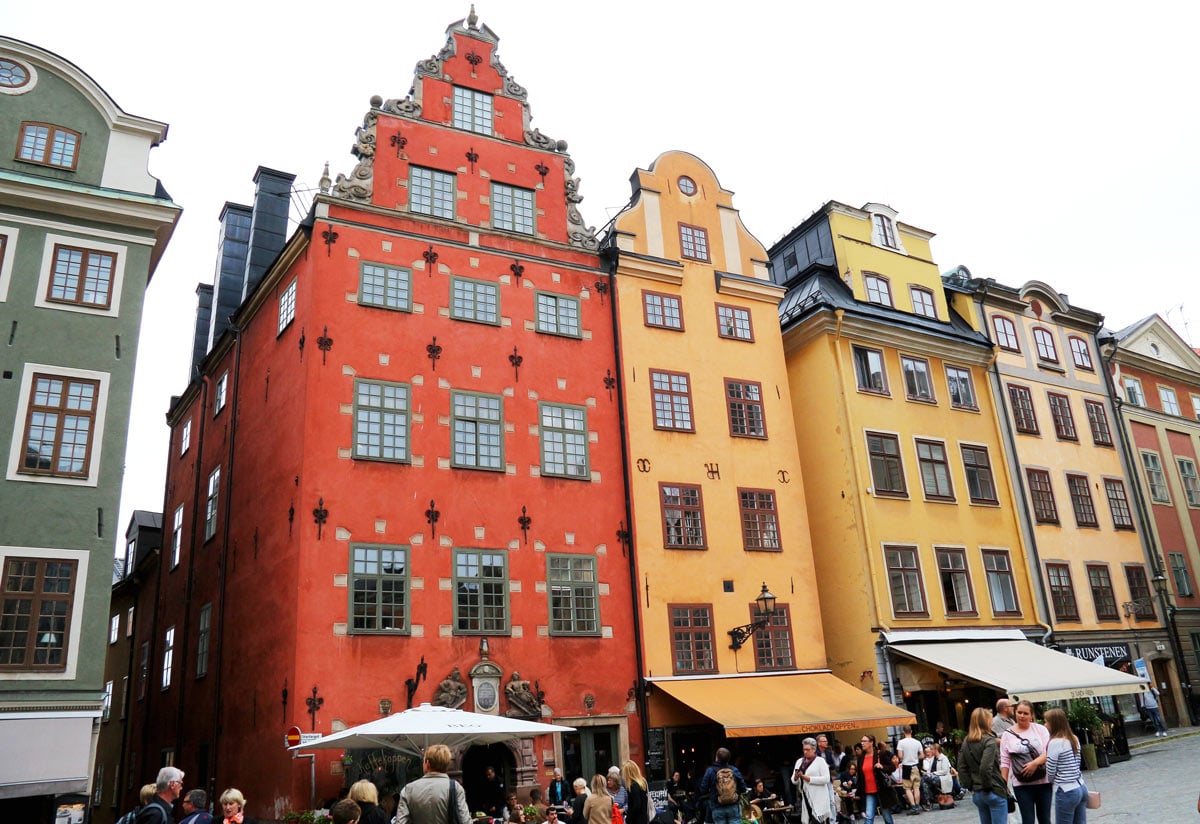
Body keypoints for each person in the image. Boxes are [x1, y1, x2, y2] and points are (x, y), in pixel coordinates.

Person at [999, 700, 1050, 824]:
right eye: (1019, 712)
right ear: (1015, 713)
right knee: (1027, 819)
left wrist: (1034, 764)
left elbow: (1049, 752)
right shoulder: (1007, 734)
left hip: (1043, 781)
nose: (1022, 716)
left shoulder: (1041, 730)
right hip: (1021, 784)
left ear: (1031, 715)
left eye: (1025, 713)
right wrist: (1003, 784)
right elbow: (1005, 761)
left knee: (1044, 819)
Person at [395, 744, 470, 824]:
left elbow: (400, 822)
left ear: (427, 763)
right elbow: (465, 821)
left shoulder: (409, 789)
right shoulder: (456, 788)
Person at [958, 708, 1006, 824]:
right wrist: (987, 786)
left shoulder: (966, 741)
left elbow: (961, 767)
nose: (992, 722)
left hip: (977, 792)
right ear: (986, 722)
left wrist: (970, 786)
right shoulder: (989, 741)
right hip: (992, 789)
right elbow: (985, 768)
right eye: (990, 720)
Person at [1043, 709, 1086, 824]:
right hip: (1080, 786)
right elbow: (1078, 762)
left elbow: (1051, 770)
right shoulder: (1074, 738)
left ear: (1053, 723)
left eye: (1046, 721)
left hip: (1066, 789)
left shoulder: (1055, 743)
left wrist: (1051, 781)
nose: (1045, 725)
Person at [854, 735, 897, 824]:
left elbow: (892, 767)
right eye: (861, 741)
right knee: (869, 816)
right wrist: (858, 792)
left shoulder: (880, 754)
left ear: (871, 742)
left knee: (886, 815)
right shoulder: (861, 758)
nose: (862, 743)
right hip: (868, 791)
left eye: (864, 741)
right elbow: (860, 777)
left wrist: (882, 766)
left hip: (881, 790)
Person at [699, 747, 747, 824]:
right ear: (728, 759)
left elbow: (703, 790)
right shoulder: (734, 770)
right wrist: (733, 793)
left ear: (716, 757)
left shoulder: (710, 771)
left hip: (717, 807)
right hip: (733, 806)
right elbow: (743, 788)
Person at [792, 738, 831, 824]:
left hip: (818, 797)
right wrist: (796, 777)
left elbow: (826, 778)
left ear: (814, 749)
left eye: (808, 749)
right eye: (804, 749)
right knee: (808, 820)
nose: (805, 752)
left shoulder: (820, 761)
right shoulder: (799, 761)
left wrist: (808, 778)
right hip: (805, 796)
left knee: (818, 820)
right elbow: (793, 781)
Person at [894, 726, 922, 814]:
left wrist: (906, 757)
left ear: (903, 732)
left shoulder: (901, 742)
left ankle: (913, 806)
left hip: (906, 766)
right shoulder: (917, 742)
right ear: (911, 731)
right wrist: (915, 757)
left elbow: (900, 756)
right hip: (915, 766)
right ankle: (917, 805)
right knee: (916, 787)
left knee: (907, 788)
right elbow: (922, 755)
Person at [918, 745, 952, 810]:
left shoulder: (943, 758)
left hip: (943, 778)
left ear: (936, 750)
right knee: (925, 783)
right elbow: (929, 770)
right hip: (933, 777)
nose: (930, 751)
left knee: (924, 778)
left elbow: (944, 771)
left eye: (931, 749)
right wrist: (929, 773)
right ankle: (928, 802)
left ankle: (928, 801)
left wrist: (933, 773)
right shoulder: (932, 759)